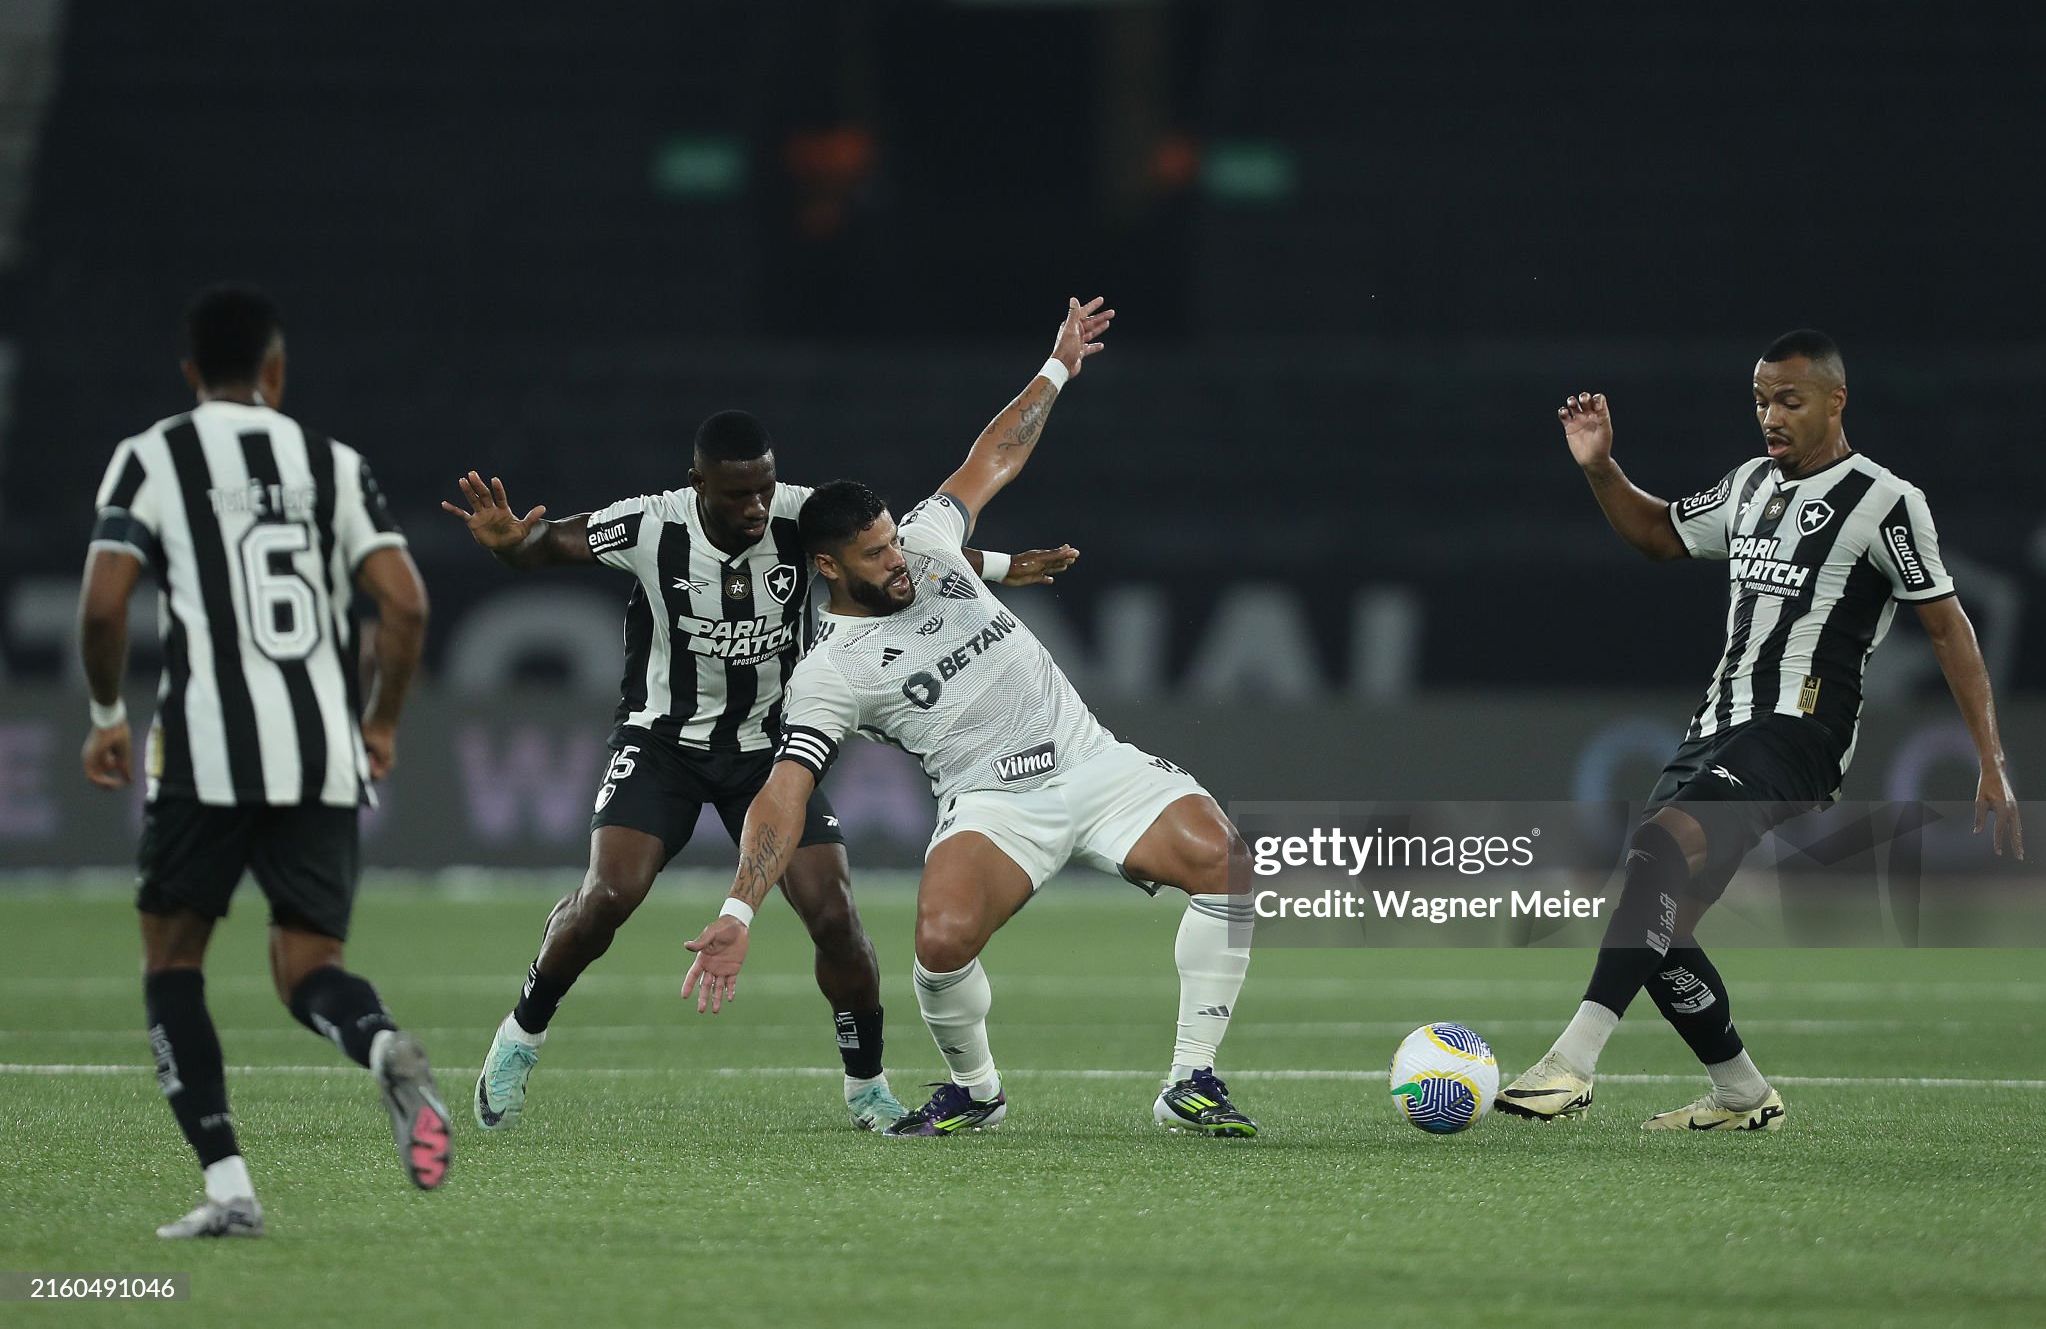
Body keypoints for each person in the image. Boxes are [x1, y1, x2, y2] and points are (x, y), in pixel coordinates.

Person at [681, 298, 1261, 1139]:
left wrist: (1058, 364)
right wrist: (738, 914)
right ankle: (976, 1090)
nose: (899, 559)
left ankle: (1191, 1079)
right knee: (942, 939)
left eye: (894, 538)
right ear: (828, 566)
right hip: (994, 803)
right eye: (876, 554)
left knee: (1228, 866)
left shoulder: (929, 543)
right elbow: (783, 793)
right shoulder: (829, 673)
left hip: (1093, 764)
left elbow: (993, 456)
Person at [443, 412, 1079, 1132]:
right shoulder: (651, 526)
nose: (756, 507)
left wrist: (999, 566)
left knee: (836, 917)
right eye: (738, 494)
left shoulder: (797, 516)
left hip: (772, 750)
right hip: (663, 741)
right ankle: (520, 1036)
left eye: (764, 488)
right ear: (698, 485)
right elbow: (544, 542)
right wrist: (509, 543)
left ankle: (867, 1087)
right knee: (611, 892)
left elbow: (893, 549)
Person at [1497, 329, 2024, 1130]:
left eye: (1789, 400)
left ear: (1835, 401)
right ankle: (1743, 1093)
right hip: (1715, 726)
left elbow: (1949, 628)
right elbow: (1660, 533)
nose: (1770, 416)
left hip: (1797, 732)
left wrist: (1991, 756)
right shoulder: (1749, 486)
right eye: (1760, 401)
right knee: (1660, 921)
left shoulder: (1885, 501)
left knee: (1658, 851)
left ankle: (1570, 1061)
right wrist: (1602, 468)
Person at [79, 284, 449, 1239]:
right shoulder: (333, 462)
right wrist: (380, 723)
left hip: (203, 751)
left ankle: (231, 1188)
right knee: (308, 967)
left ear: (191, 371)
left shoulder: (152, 456)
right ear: (276, 373)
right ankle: (380, 1048)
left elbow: (103, 604)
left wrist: (106, 713)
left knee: (173, 960)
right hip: (321, 749)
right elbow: (404, 604)